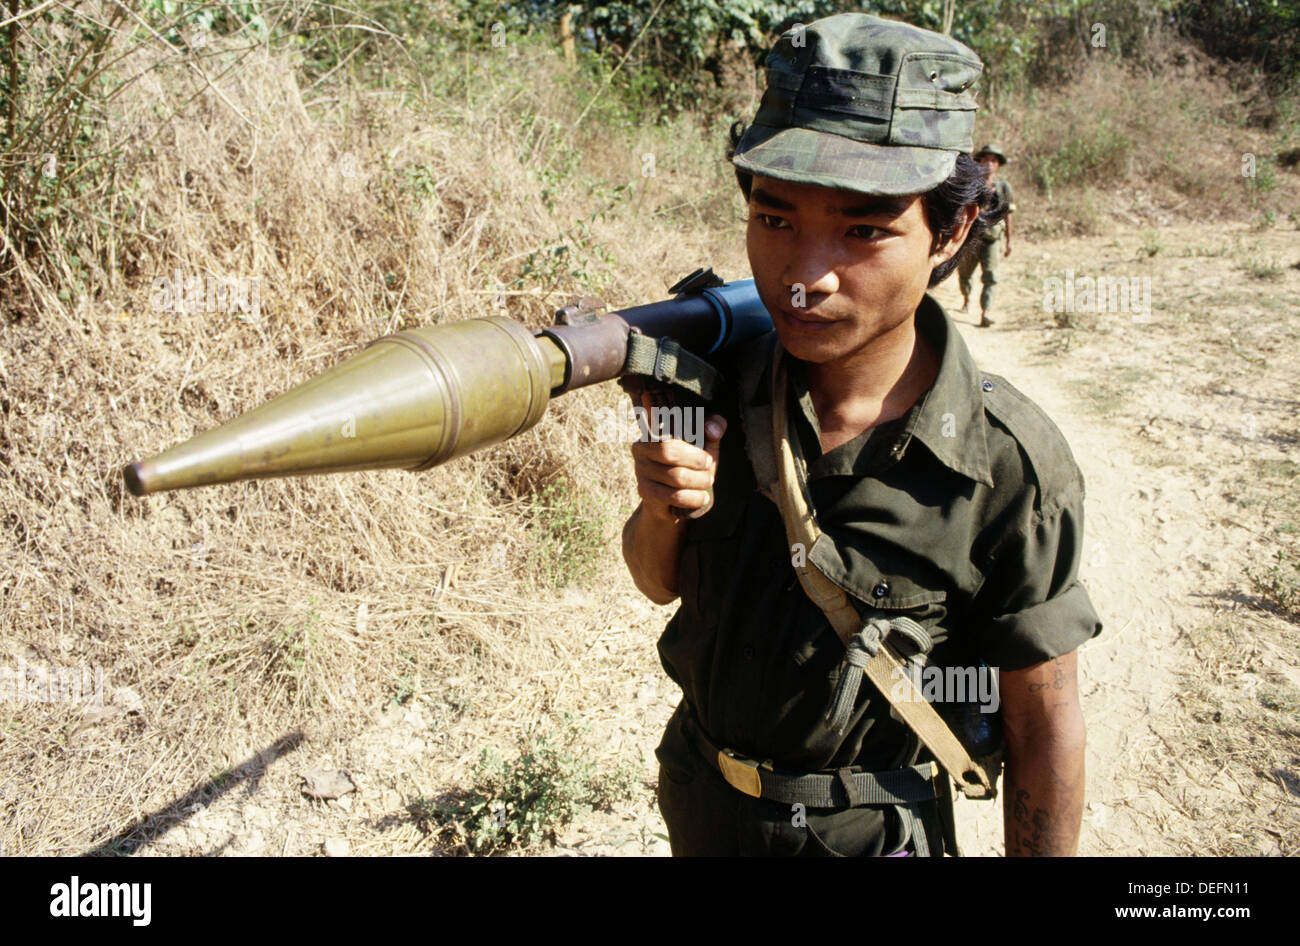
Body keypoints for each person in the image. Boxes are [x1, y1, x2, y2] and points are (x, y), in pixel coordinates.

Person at [621, 13, 1101, 857]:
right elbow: (657, 585)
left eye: (865, 230)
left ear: (951, 234)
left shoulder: (1005, 463)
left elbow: (1045, 723)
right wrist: (662, 510)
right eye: (775, 220)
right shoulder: (719, 383)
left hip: (871, 836)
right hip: (702, 804)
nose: (805, 277)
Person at [957, 144, 1016, 326]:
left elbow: (1008, 214)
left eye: (993, 160)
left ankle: (986, 312)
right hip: (972, 238)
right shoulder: (971, 184)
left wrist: (1009, 242)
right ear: (979, 161)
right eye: (985, 159)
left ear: (998, 165)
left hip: (991, 238)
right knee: (965, 273)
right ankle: (966, 298)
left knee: (990, 276)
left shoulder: (1003, 188)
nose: (989, 164)